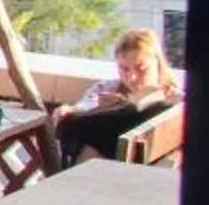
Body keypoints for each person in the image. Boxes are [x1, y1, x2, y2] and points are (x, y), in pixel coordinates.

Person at [56, 27, 180, 163]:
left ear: (158, 63)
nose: (132, 77)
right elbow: (83, 107)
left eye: (141, 69)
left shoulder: (176, 101)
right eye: (124, 69)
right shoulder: (106, 88)